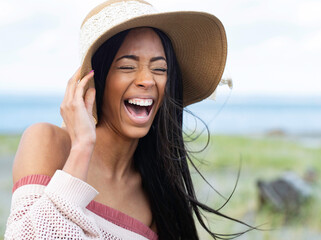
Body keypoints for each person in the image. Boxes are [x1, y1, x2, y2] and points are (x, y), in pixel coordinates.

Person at [5, 0, 252, 239]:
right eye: (127, 66)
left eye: (159, 69)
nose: (147, 80)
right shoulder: (47, 143)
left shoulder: (158, 195)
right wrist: (81, 148)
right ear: (95, 80)